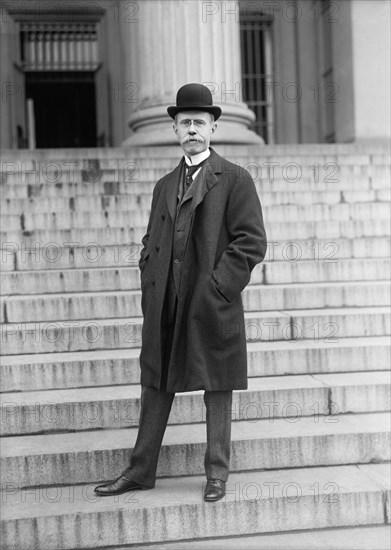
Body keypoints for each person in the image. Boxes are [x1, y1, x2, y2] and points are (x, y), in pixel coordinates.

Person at [95, 83, 267, 502]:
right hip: (165, 300)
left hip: (209, 300)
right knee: (155, 382)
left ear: (212, 128)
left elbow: (250, 242)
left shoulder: (235, 179)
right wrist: (149, 280)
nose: (192, 129)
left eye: (199, 122)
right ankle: (140, 470)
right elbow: (150, 240)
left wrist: (217, 288)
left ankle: (216, 473)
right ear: (174, 129)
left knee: (217, 385)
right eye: (185, 122)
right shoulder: (163, 185)